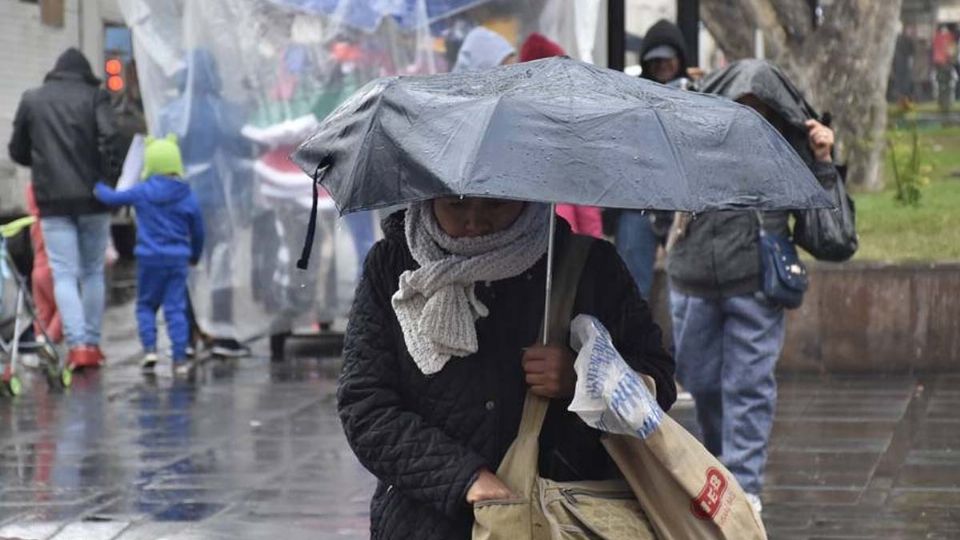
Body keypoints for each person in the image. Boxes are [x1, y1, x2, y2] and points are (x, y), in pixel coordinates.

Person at [337, 198, 676, 539]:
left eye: (495, 206)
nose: (475, 221)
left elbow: (658, 383)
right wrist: (462, 478)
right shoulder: (392, 266)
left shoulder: (587, 266)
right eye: (456, 206)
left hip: (560, 521)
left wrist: (584, 378)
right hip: (424, 523)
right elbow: (365, 407)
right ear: (428, 195)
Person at [667, 59, 841, 514]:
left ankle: (743, 487)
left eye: (762, 108)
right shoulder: (695, 135)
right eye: (742, 106)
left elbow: (834, 237)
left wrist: (823, 162)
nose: (750, 116)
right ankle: (723, 469)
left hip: (756, 283)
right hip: (693, 280)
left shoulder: (787, 145)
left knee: (748, 386)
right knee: (702, 383)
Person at [7, 48, 122, 369]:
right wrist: (107, 178)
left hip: (53, 201)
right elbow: (111, 138)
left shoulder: (33, 100)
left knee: (64, 274)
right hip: (94, 199)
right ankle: (92, 344)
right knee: (92, 272)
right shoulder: (96, 97)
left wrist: (43, 164)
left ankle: (77, 345)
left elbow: (17, 150)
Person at [158, 49, 252, 358]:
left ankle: (186, 336)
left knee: (183, 267)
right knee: (220, 262)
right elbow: (241, 150)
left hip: (176, 201)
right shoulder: (220, 111)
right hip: (213, 196)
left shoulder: (170, 114)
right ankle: (222, 333)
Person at [94, 135, 204, 375]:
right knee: (175, 308)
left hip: (148, 258)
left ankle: (150, 350)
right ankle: (179, 358)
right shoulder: (187, 195)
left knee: (145, 305)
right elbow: (198, 230)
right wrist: (194, 255)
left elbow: (112, 198)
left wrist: (94, 184)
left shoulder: (143, 191)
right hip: (177, 259)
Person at [615, 19, 691, 299]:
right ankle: (630, 342)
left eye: (667, 58)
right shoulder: (630, 98)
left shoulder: (694, 94)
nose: (661, 65)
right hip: (639, 204)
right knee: (631, 291)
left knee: (685, 293)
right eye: (654, 60)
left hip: (682, 208)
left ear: (679, 58)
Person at [518, 32, 604, 239]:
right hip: (562, 240)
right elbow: (584, 201)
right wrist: (591, 243)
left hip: (531, 241)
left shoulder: (513, 126)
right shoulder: (570, 126)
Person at [452, 26, 516, 72]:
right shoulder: (477, 38)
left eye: (512, 55)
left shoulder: (478, 36)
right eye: (508, 58)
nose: (515, 62)